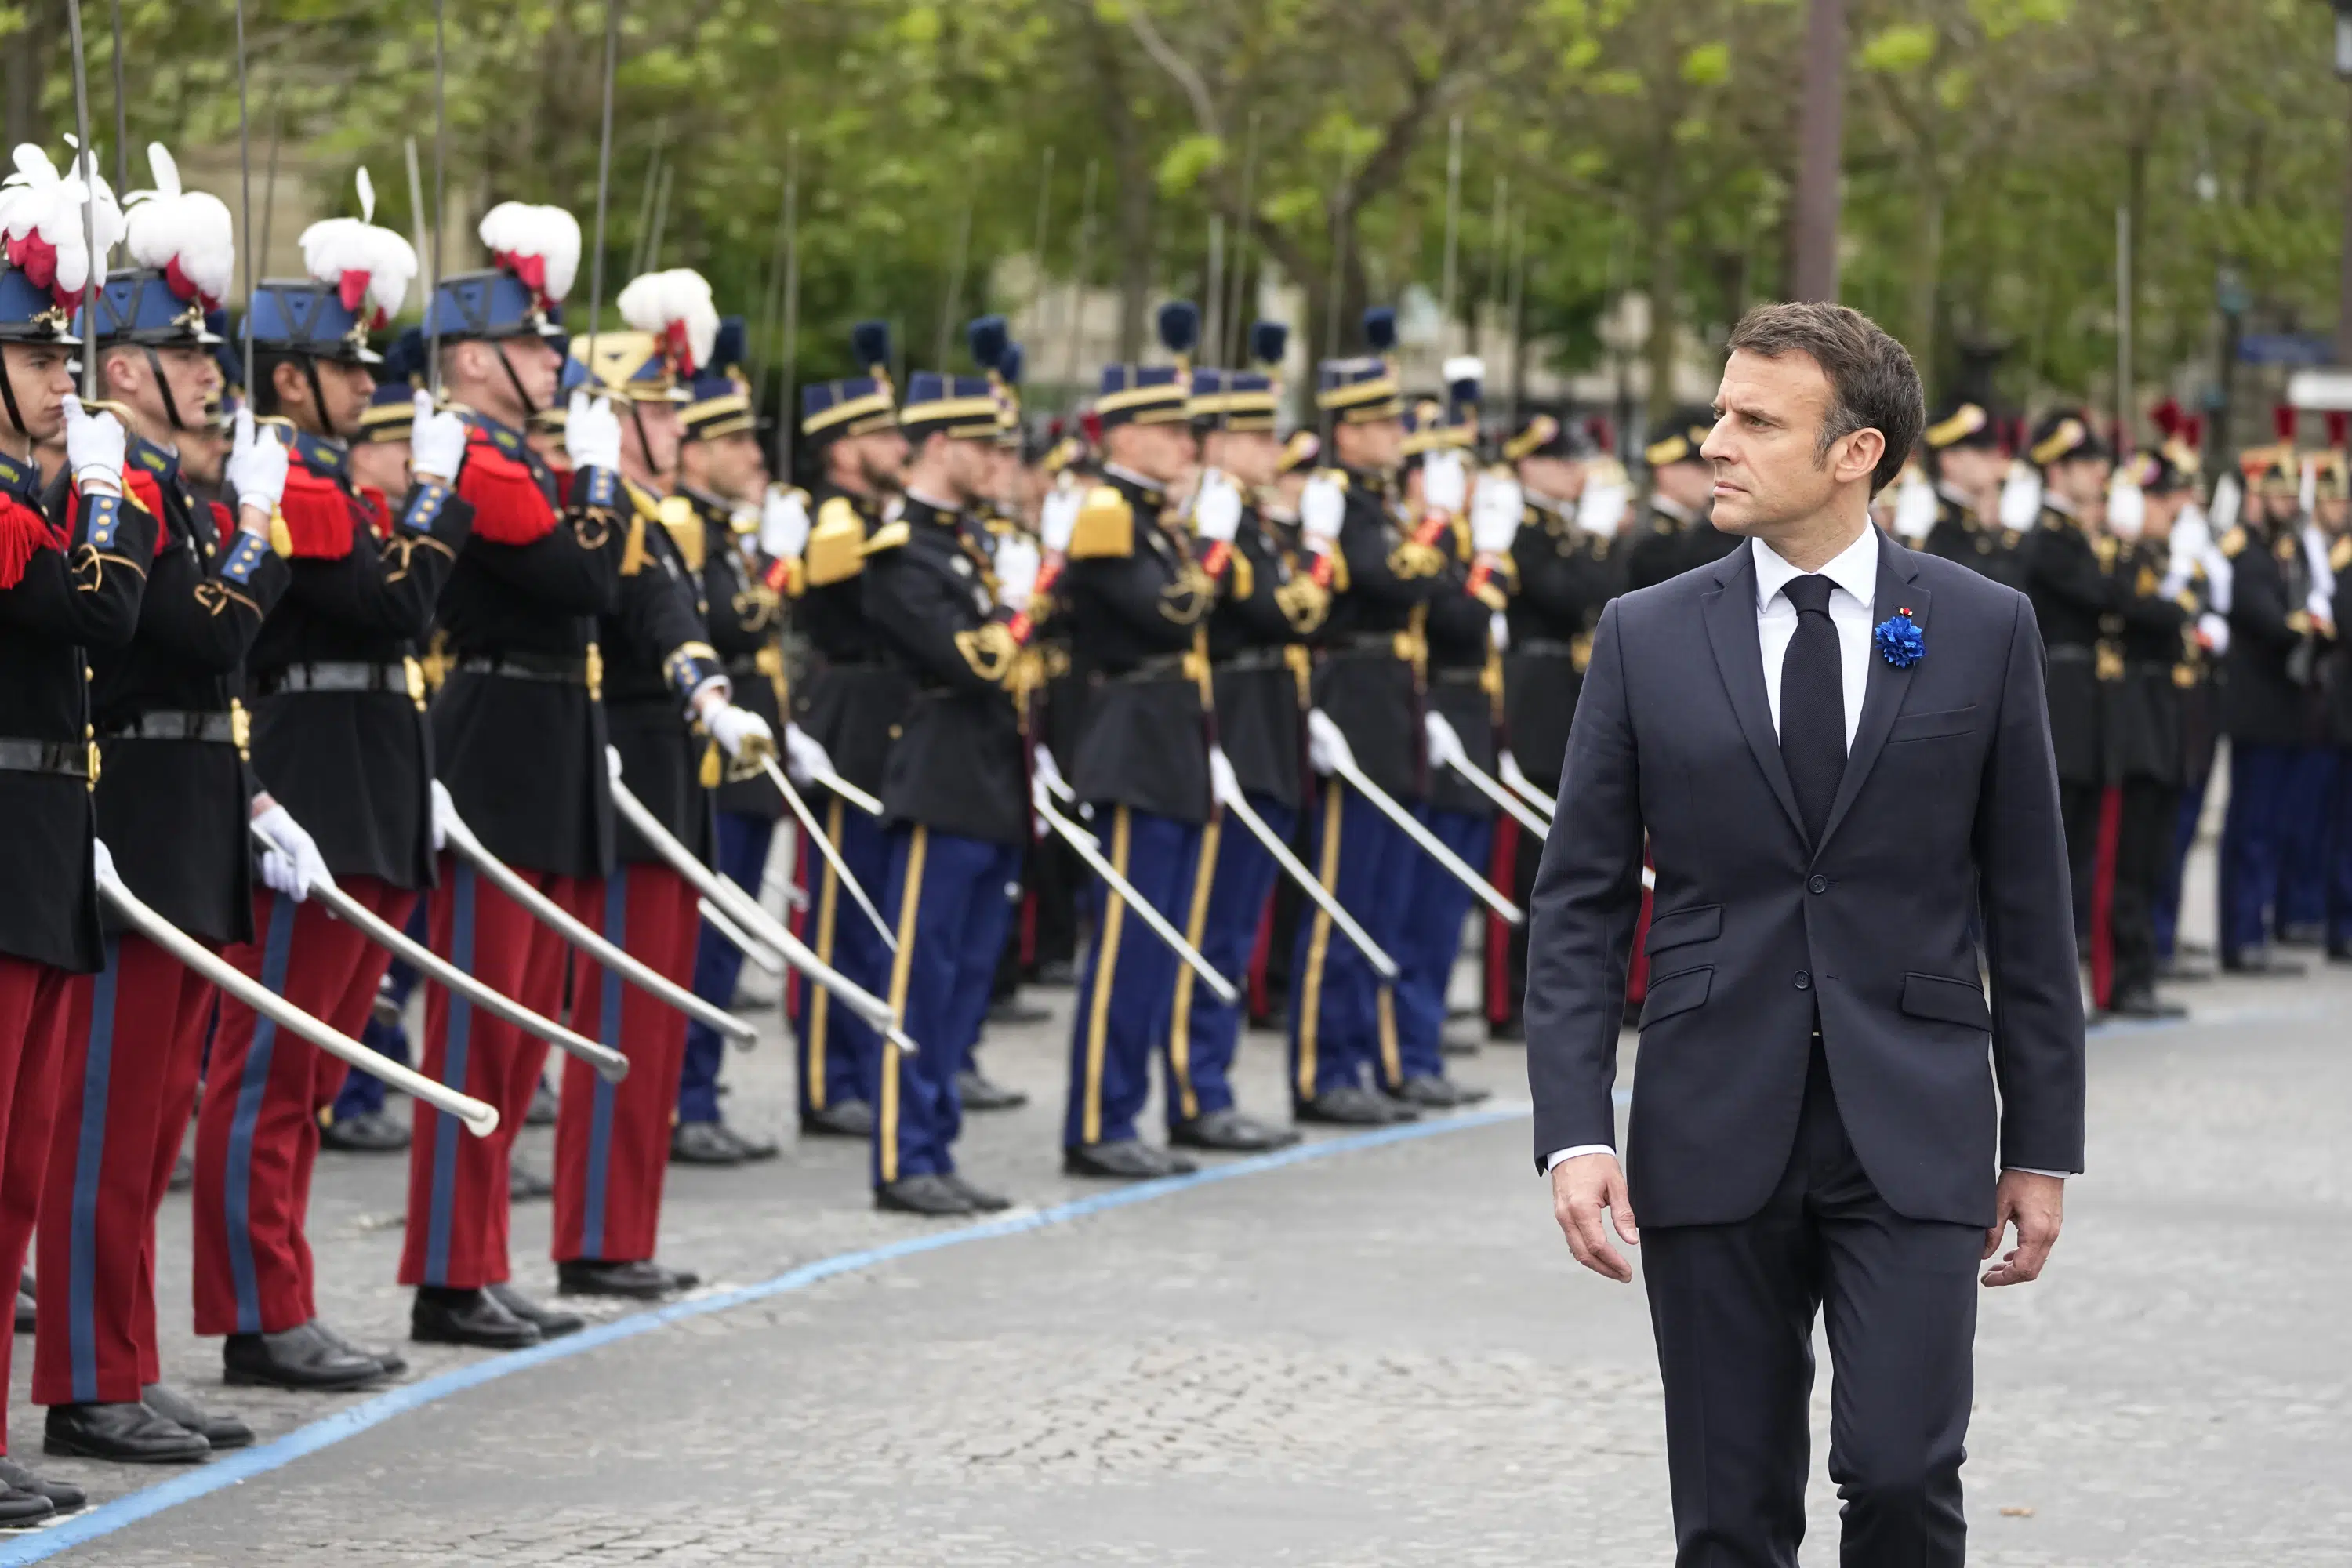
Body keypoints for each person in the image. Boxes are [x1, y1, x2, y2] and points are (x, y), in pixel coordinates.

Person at [1529, 300, 2084, 1567]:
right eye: (1719, 410)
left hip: (1918, 1121)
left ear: (1857, 453)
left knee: (1900, 1477)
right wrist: (1573, 1129)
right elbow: (1580, 903)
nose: (1714, 439)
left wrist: (2044, 1146)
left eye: (1753, 420)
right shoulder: (1644, 636)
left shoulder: (1983, 628)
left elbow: (2031, 908)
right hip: (1710, 1119)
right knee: (1729, 1518)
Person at [36, 154, 304, 1465]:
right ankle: (89, 1373)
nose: (212, 376)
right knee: (105, 1115)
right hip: (133, 803)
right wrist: (258, 538)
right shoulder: (127, 484)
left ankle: (128, 1358)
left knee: (150, 1121)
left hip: (193, 804)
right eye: (186, 358)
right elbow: (193, 633)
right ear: (127, 367)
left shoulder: (169, 486)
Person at [191, 184, 471, 1392]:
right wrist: (438, 500)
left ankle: (286, 1293)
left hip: (372, 776)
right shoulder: (297, 483)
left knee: (316, 1065)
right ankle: (258, 1308)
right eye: (347, 370)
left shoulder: (325, 482)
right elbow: (396, 604)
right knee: (275, 1065)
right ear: (293, 381)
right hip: (318, 772)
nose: (370, 388)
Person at [399, 199, 618, 1349]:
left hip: (549, 742)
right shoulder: (481, 458)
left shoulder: (512, 452)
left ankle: (480, 1257)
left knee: (527, 1026)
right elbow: (585, 583)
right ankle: (446, 1268)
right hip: (499, 739)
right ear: (479, 358)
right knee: (483, 1027)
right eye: (537, 346)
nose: (555, 363)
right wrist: (598, 481)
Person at [551, 269, 773, 1298]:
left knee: (656, 1015)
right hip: (621, 783)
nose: (681, 425)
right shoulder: (600, 515)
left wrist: (716, 697)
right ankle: (596, 1237)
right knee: (621, 1018)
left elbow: (685, 633)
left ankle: (624, 1232)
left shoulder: (658, 517)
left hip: (669, 780)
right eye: (663, 409)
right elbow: (638, 628)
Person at [0, 161, 151, 1519]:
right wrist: (104, 499)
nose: (63, 381)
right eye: (35, 355)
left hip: (47, 831)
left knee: (17, 1173)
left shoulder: (28, 493)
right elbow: (96, 619)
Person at [858, 368, 1033, 1214]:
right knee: (921, 977)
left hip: (994, 778)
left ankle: (940, 1142)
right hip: (938, 778)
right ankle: (903, 1154)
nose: (1004, 459)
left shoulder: (970, 548)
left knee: (966, 980)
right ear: (939, 446)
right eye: (987, 445)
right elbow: (969, 661)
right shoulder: (903, 553)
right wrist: (1023, 613)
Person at [1059, 302, 1216, 1180]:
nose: (1185, 442)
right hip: (1129, 740)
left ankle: (1125, 1111)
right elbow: (1169, 612)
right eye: (1168, 428)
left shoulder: (1154, 517)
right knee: (1124, 943)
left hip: (1170, 741)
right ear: (1122, 434)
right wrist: (1218, 546)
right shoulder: (1108, 515)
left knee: (1156, 946)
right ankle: (1096, 1118)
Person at [1163, 325, 1319, 1152]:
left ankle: (1213, 1077)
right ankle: (1196, 1085)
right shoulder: (1204, 519)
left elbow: (1300, 609)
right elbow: (1241, 612)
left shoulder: (1252, 520)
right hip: (1226, 717)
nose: (1271, 447)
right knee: (1210, 921)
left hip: (1270, 722)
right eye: (1255, 434)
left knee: (1237, 919)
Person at [1287, 310, 1437, 1127]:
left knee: (1383, 897)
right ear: (1346, 429)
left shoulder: (1377, 499)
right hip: (1354, 697)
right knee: (1343, 900)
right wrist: (1444, 526)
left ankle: (1365, 1058)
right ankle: (1322, 1066)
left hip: (1393, 705)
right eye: (1382, 421)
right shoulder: (1338, 499)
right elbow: (1396, 579)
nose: (1397, 432)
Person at [787, 324, 911, 1139]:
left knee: (879, 913)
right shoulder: (834, 520)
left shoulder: (878, 514)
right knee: (841, 907)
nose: (898, 445)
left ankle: (867, 1065)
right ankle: (830, 1079)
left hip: (889, 718)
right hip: (848, 716)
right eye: (880, 434)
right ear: (841, 449)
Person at [671, 333, 792, 1165]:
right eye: (740, 440)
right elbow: (722, 626)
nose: (755, 454)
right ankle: (687, 1098)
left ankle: (701, 1091)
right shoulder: (689, 529)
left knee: (731, 935)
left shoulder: (724, 530)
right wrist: (780, 564)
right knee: (703, 940)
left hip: (748, 756)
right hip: (706, 759)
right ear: (699, 449)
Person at [1384, 372, 1504, 1107]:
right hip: (1424, 724)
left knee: (1443, 909)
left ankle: (1421, 1048)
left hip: (1468, 731)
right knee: (1413, 905)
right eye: (1445, 465)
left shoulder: (1454, 541)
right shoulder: (1415, 544)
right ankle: (1402, 1049)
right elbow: (1456, 625)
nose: (1461, 480)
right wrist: (1486, 565)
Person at [1491, 413, 1623, 1041]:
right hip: (1529, 698)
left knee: (1553, 854)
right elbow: (1572, 596)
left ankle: (1538, 990)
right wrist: (1596, 536)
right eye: (1562, 461)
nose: (1576, 472)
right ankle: (1507, 994)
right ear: (1527, 465)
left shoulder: (1558, 530)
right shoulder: (1516, 530)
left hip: (1561, 698)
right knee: (1520, 859)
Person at [2218, 427, 2329, 974]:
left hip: (2284, 708)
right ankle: (2242, 936)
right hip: (2256, 707)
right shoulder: (2243, 550)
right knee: (2253, 829)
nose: (2290, 505)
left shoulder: (2284, 549)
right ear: (2257, 496)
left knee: (2271, 826)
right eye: (2281, 495)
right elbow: (2263, 616)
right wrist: (2309, 623)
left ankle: (2254, 929)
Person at [2092, 449, 2198, 1019]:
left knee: (2151, 853)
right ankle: (2117, 980)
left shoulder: (2161, 554)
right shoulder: (2121, 555)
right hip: (2131, 715)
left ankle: (2143, 970)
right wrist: (2176, 597)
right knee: (2123, 860)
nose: (2171, 511)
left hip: (2162, 714)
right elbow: (2139, 611)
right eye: (2160, 500)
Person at [2017, 408, 2112, 935]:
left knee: (2081, 831)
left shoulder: (2076, 536)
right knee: (2056, 832)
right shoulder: (2052, 540)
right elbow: (2102, 596)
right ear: (2056, 470)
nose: (2098, 472)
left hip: (2085, 702)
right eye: (2084, 463)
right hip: (2061, 697)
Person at [1918, 400, 2021, 585]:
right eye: (1982, 452)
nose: (1996, 459)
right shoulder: (1931, 519)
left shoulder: (1971, 520)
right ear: (1949, 461)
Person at [1621, 408, 1719, 593]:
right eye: (1702, 467)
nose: (1713, 475)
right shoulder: (1646, 534)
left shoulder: (1694, 525)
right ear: (1665, 470)